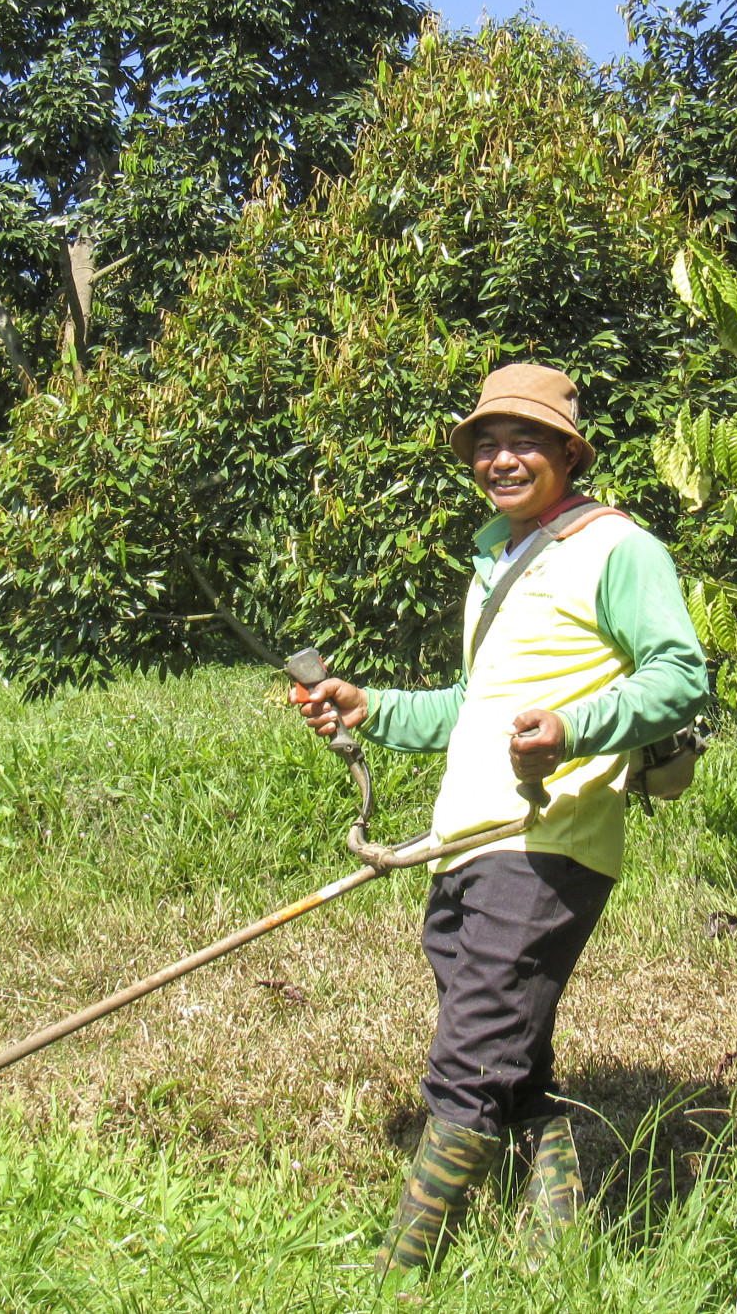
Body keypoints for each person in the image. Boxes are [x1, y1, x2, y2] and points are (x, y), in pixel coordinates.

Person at [290, 363, 708, 1273]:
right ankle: (561, 1249)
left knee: (472, 1054)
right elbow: (473, 706)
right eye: (487, 442)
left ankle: (400, 1274)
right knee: (508, 1049)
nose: (502, 458)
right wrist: (374, 708)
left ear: (568, 451)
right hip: (465, 840)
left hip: (548, 839)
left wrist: (575, 728)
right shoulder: (501, 555)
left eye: (524, 441)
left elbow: (681, 675)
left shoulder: (617, 548)